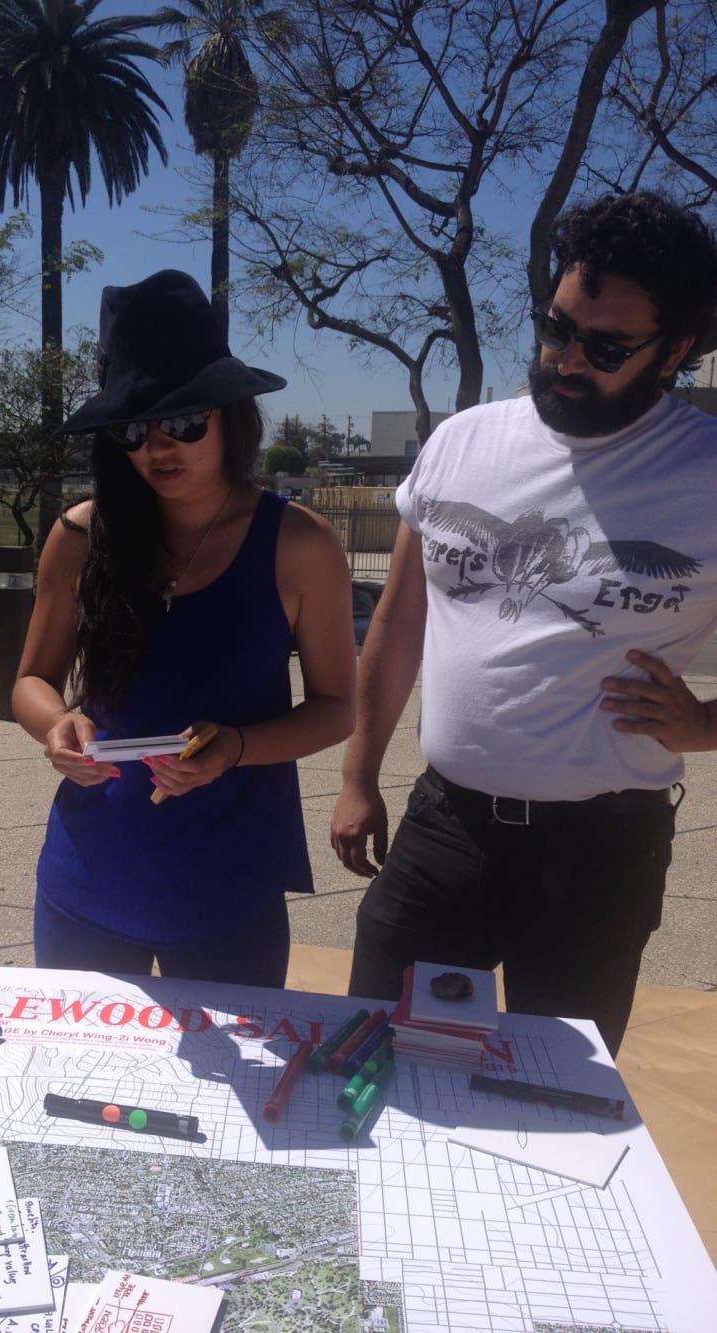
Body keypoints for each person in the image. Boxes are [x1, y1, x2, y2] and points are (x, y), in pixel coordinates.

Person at [330, 191, 717, 1057]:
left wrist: (705, 725)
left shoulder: (706, 475)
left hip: (599, 854)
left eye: (606, 346)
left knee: (556, 1099)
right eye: (556, 329)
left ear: (676, 352)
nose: (566, 359)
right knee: (370, 1058)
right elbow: (398, 619)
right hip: (445, 828)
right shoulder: (462, 442)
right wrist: (357, 774)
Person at [13, 269, 356, 986]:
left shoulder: (299, 542)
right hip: (90, 876)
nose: (157, 447)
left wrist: (236, 746)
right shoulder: (81, 536)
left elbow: (335, 708)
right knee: (84, 1089)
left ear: (231, 416)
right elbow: (31, 681)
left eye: (184, 421)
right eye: (133, 427)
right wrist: (57, 724)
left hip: (229, 887)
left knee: (238, 1103)